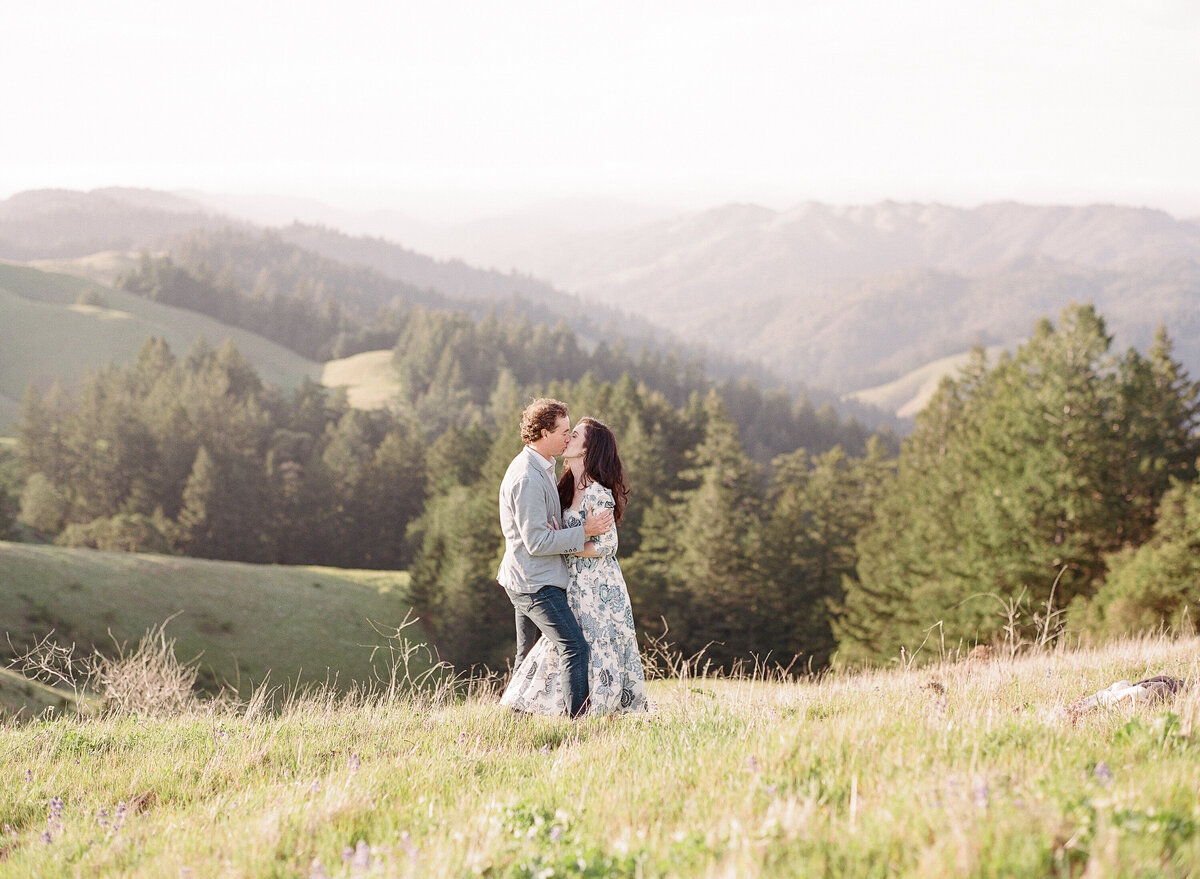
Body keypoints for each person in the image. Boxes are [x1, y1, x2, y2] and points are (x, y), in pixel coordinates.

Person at [501, 417, 650, 717]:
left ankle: (589, 715)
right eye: (566, 432)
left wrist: (566, 542)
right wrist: (566, 539)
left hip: (598, 586)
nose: (568, 438)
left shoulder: (597, 493)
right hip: (571, 582)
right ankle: (535, 713)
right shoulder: (565, 487)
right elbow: (547, 537)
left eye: (575, 434)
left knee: (591, 648)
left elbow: (608, 545)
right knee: (561, 648)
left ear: (587, 449)